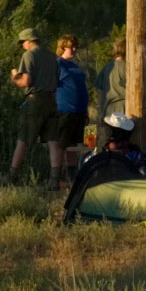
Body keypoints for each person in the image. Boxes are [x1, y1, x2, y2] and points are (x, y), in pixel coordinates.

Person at [9, 27, 57, 183]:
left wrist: (14, 77)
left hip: (35, 100)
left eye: (23, 42)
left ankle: (12, 176)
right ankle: (54, 178)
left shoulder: (29, 55)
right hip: (51, 100)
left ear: (29, 42)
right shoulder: (51, 56)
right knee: (52, 140)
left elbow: (26, 81)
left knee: (23, 139)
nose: (22, 45)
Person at [50, 34, 89, 189]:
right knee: (61, 144)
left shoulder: (75, 66)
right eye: (70, 46)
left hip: (78, 111)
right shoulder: (57, 65)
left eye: (75, 46)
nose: (73, 49)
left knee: (73, 145)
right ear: (62, 47)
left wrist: (85, 110)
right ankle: (55, 178)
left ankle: (72, 177)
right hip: (64, 111)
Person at [95, 37, 127, 147]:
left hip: (109, 109)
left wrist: (100, 111)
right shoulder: (128, 67)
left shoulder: (106, 68)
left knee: (111, 140)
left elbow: (100, 91)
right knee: (124, 141)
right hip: (125, 108)